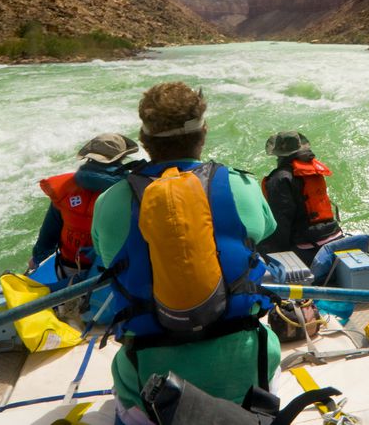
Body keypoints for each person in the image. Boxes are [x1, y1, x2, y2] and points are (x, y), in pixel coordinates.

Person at [91, 82, 280, 424]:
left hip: (149, 387)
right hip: (250, 376)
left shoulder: (109, 202)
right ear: (202, 133)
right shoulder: (243, 185)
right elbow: (266, 230)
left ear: (145, 140)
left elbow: (106, 261)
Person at [29, 132, 144, 277]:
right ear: (122, 157)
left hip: (69, 267)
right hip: (112, 269)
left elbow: (49, 233)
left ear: (89, 157)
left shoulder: (65, 188)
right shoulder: (130, 189)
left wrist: (37, 258)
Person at [257, 131, 343, 265]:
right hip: (335, 235)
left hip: (308, 247)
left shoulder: (280, 179)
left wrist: (271, 253)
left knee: (256, 250)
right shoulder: (313, 171)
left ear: (278, 154)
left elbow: (280, 223)